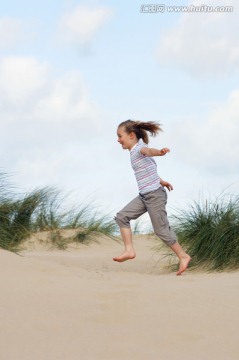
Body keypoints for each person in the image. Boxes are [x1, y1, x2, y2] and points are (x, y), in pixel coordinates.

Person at [113, 119, 191, 275]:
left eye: (120, 136)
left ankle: (183, 256)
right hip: (145, 196)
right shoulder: (134, 151)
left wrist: (160, 152)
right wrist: (161, 181)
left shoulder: (139, 148)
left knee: (161, 230)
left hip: (154, 196)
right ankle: (129, 250)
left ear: (131, 135)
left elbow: (148, 152)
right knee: (122, 217)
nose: (118, 140)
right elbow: (148, 168)